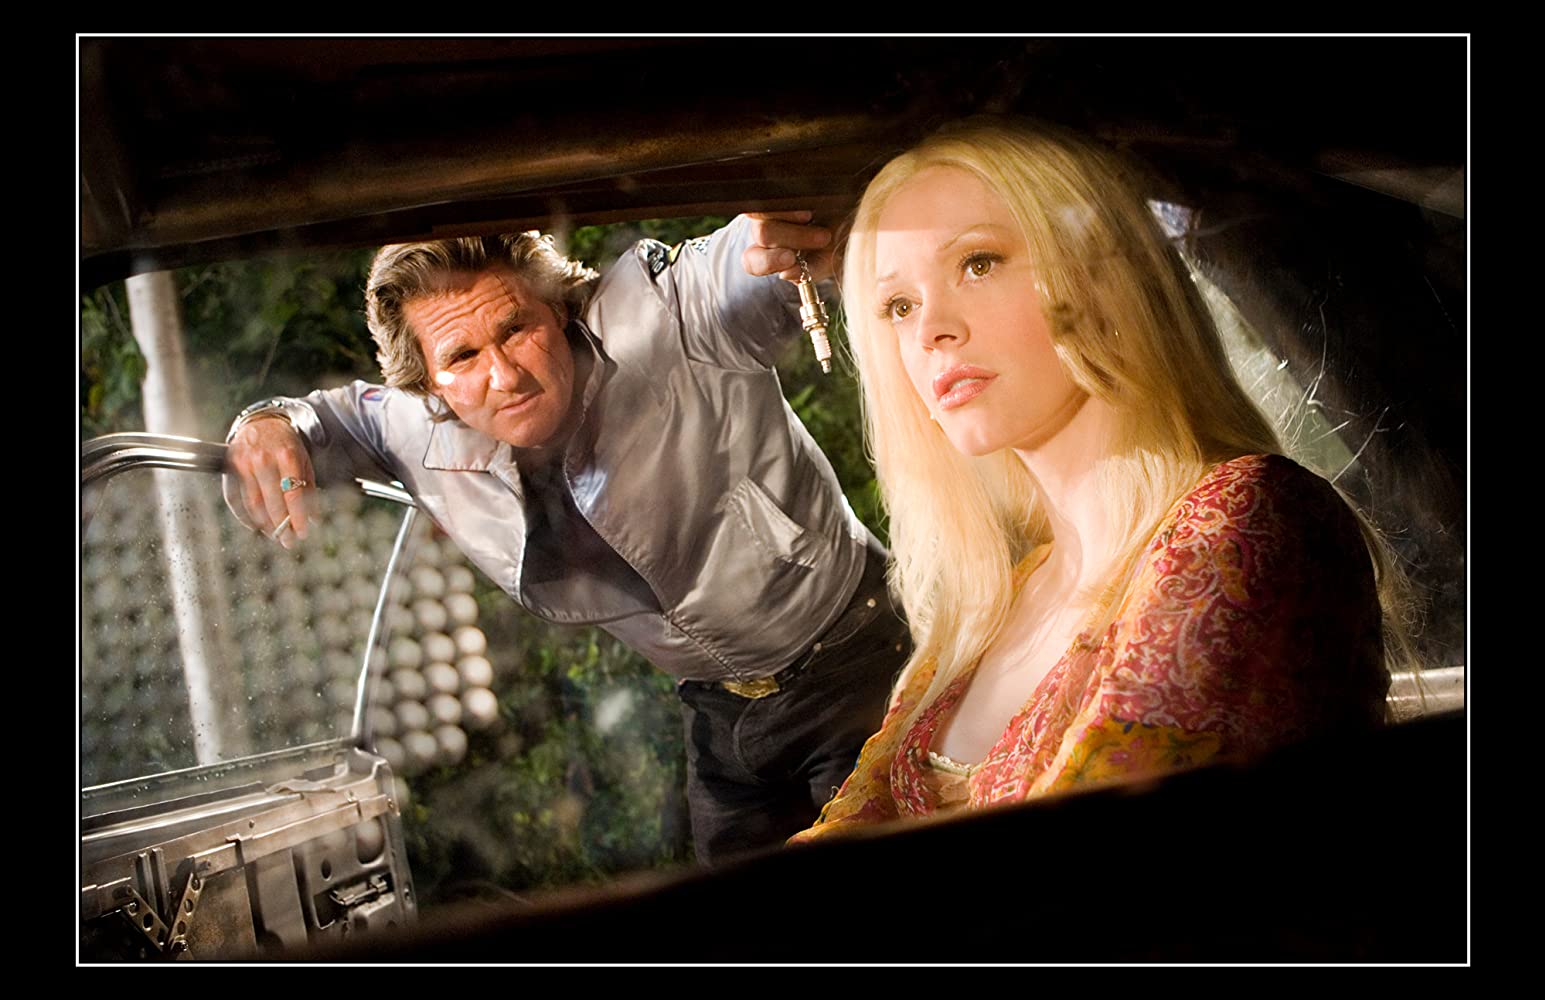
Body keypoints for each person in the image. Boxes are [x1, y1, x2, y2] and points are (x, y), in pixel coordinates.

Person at [222, 213, 911, 863]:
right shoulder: (412, 424)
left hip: (856, 657)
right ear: (429, 382)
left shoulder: (661, 313)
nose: (504, 375)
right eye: (463, 355)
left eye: (515, 328)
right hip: (716, 710)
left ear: (554, 308)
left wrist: (777, 232)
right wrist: (265, 424)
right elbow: (319, 419)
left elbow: (740, 262)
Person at [791, 119, 1395, 842]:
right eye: (899, 306)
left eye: (978, 263)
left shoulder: (1240, 518)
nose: (929, 332)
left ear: (1098, 278)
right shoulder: (1006, 594)